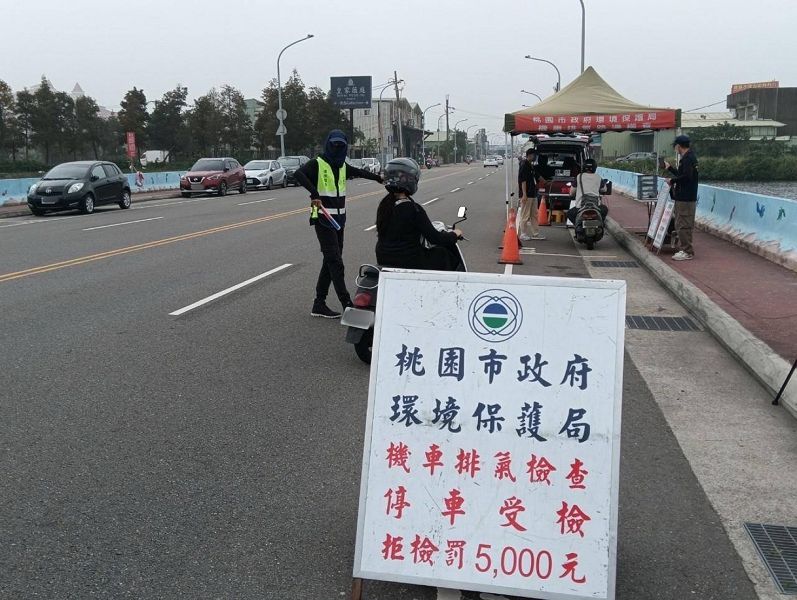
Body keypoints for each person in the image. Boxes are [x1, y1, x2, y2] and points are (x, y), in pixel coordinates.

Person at [295, 129, 383, 319]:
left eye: (340, 145)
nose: (336, 148)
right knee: (335, 262)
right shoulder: (318, 163)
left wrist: (379, 178)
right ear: (328, 144)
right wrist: (314, 193)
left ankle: (319, 304)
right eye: (333, 144)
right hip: (323, 218)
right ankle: (347, 305)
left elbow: (360, 172)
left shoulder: (342, 166)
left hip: (339, 221)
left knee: (330, 261)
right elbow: (299, 174)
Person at [375, 158, 462, 270]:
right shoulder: (413, 209)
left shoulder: (384, 205)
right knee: (443, 253)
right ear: (409, 181)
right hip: (408, 260)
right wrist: (454, 234)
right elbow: (435, 238)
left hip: (383, 258)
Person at [664, 134, 699, 261]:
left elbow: (686, 177)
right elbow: (682, 174)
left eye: (675, 146)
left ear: (678, 146)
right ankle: (685, 249)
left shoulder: (688, 159)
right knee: (681, 223)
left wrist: (672, 181)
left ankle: (687, 251)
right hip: (684, 197)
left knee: (684, 224)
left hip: (686, 198)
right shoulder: (689, 157)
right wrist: (670, 169)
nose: (675, 149)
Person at [517, 148, 547, 241]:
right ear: (530, 155)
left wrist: (546, 182)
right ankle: (523, 233)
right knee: (525, 215)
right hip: (527, 194)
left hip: (533, 193)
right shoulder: (524, 165)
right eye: (534, 155)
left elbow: (537, 176)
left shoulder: (531, 165)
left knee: (534, 214)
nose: (535, 157)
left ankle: (535, 233)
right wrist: (524, 194)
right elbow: (523, 181)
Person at [567, 158, 608, 224]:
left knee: (570, 213)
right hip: (596, 206)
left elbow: (571, 193)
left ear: (584, 167)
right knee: (605, 209)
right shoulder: (598, 177)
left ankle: (578, 226)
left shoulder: (579, 176)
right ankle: (600, 225)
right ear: (595, 168)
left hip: (580, 207)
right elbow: (604, 189)